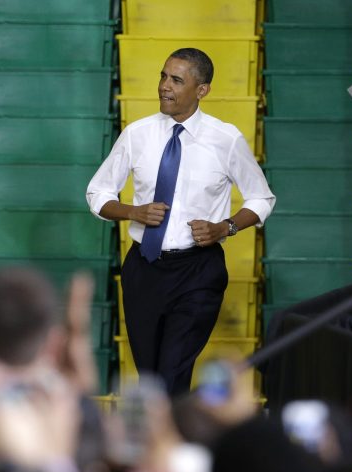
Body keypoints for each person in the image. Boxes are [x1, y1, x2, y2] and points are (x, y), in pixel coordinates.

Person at [86, 47, 275, 395]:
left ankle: (173, 442)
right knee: (153, 377)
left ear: (201, 90)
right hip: (144, 268)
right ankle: (166, 439)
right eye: (162, 76)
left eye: (176, 80)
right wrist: (132, 211)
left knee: (173, 371)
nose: (164, 87)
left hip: (198, 272)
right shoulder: (137, 134)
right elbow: (96, 194)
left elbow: (261, 198)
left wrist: (225, 227)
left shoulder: (226, 138)